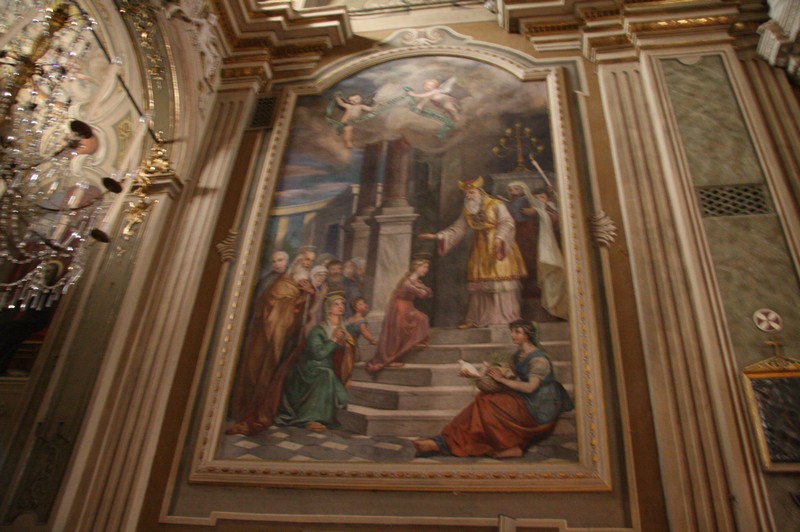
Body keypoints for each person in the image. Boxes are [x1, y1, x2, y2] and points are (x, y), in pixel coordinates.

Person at [412, 320, 573, 458]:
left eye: (517, 332)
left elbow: (530, 388)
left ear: (528, 335)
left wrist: (502, 380)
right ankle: (443, 441)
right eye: (512, 331)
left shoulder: (539, 360)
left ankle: (508, 446)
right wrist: (480, 373)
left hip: (540, 404)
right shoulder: (519, 355)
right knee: (484, 399)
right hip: (526, 398)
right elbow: (510, 373)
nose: (513, 335)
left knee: (489, 404)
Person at [418, 176, 527, 328]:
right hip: (480, 248)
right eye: (466, 194)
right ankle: (479, 319)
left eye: (471, 192)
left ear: (480, 192)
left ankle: (504, 318)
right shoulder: (468, 209)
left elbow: (507, 222)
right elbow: (458, 228)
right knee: (481, 285)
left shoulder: (496, 204)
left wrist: (499, 237)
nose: (468, 196)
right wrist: (438, 236)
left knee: (499, 281)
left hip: (498, 246)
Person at [228, 247, 316, 426]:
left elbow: (305, 313)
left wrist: (309, 296)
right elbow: (271, 304)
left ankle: (274, 410)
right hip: (268, 337)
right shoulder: (283, 282)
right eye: (306, 259)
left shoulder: (302, 283)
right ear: (298, 260)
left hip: (287, 337)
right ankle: (253, 409)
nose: (308, 264)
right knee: (262, 370)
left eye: (311, 261)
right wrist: (299, 300)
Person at [274, 293, 355, 431]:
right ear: (328, 308)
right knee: (326, 375)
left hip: (327, 367)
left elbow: (343, 352)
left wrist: (346, 346)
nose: (341, 306)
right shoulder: (318, 330)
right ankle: (309, 418)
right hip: (308, 368)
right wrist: (334, 340)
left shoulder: (342, 330)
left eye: (342, 304)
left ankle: (324, 417)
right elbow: (318, 354)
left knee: (340, 393)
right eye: (336, 304)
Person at [506, 181, 568, 320]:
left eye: (542, 197)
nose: (540, 200)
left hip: (545, 248)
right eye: (537, 198)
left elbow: (556, 220)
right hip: (526, 246)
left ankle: (550, 309)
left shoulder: (549, 208)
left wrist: (538, 212)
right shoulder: (525, 206)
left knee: (544, 277)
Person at [366, 258, 432, 373]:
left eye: (427, 267)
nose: (426, 270)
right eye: (424, 267)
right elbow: (422, 293)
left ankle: (417, 342)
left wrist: (424, 290)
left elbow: (427, 294)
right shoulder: (408, 282)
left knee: (422, 318)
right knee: (397, 333)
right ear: (416, 267)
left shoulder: (416, 281)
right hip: (400, 308)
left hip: (407, 306)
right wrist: (424, 290)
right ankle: (389, 359)